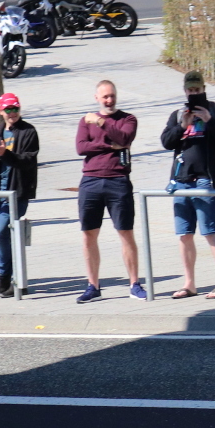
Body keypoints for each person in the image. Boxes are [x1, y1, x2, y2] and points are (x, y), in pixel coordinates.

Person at [160, 71, 215, 299]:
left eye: (197, 89)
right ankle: (189, 283)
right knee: (184, 234)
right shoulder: (177, 115)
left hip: (206, 178)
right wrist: (182, 126)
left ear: (204, 88)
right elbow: (166, 142)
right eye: (190, 90)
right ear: (185, 90)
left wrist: (209, 121)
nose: (194, 93)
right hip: (181, 180)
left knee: (210, 231)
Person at [75, 80, 142, 303]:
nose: (109, 100)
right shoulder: (86, 121)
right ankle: (93, 285)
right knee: (89, 235)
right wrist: (107, 146)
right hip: (91, 181)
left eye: (112, 96)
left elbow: (124, 138)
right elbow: (81, 147)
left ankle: (134, 284)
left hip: (118, 181)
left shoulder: (128, 119)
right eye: (105, 97)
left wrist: (102, 123)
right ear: (97, 98)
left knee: (125, 232)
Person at [0, 94, 38, 298]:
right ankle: (11, 279)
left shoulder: (28, 131)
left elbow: (27, 161)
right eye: (8, 110)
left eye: (15, 109)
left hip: (17, 194)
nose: (12, 113)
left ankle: (6, 276)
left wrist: (3, 152)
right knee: (4, 237)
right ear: (0, 112)